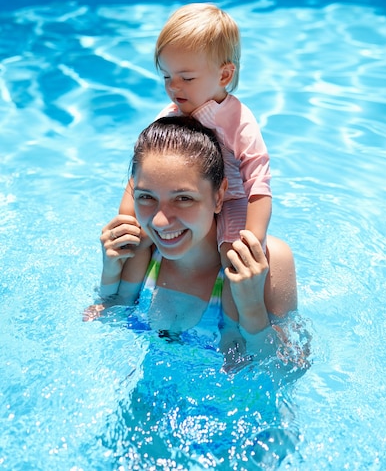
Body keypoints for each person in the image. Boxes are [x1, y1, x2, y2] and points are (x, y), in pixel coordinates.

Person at [86, 117, 298, 362]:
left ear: (219, 196)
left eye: (183, 198)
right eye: (146, 197)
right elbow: (108, 318)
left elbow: (285, 372)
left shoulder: (267, 260)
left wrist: (251, 307)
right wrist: (109, 271)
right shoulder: (142, 250)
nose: (160, 222)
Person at [118, 3, 272, 326]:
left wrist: (253, 241)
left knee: (234, 259)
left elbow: (258, 183)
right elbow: (139, 175)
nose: (174, 88)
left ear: (225, 75)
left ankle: (231, 328)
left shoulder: (239, 121)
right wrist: (127, 220)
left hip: (231, 200)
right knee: (140, 239)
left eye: (186, 77)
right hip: (191, 198)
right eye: (167, 77)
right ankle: (121, 304)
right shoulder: (169, 116)